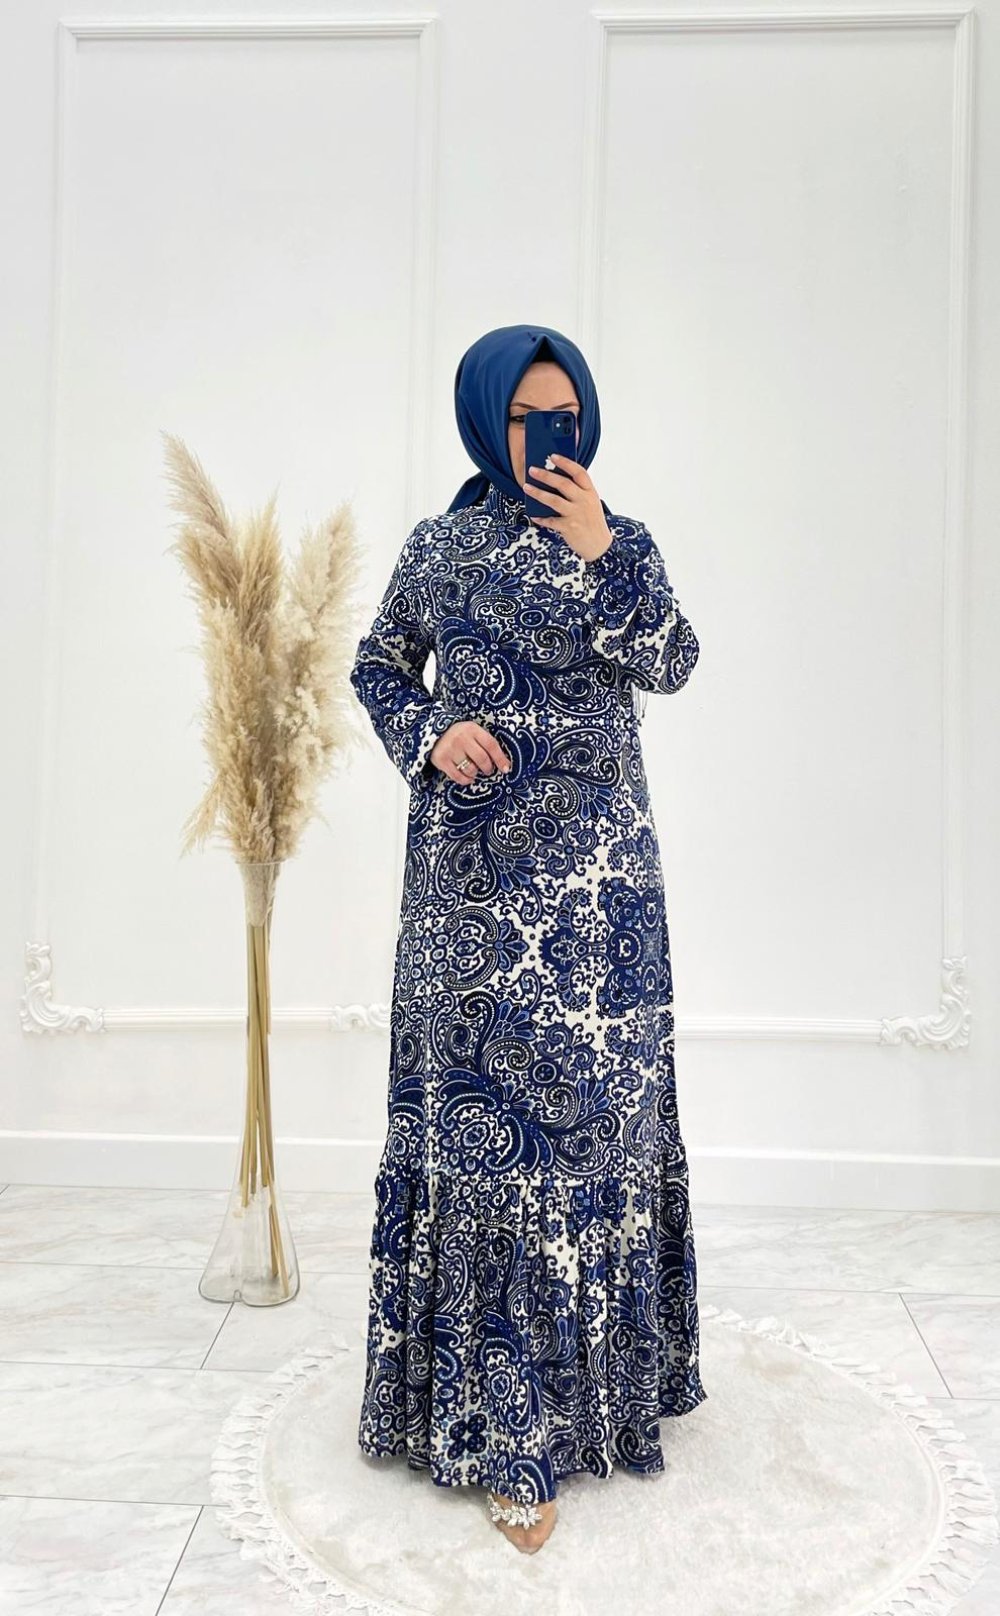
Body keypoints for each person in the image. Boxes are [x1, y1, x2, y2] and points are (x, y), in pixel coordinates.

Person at [349, 323, 706, 1555]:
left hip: (601, 901)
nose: (546, 436)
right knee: (483, 1140)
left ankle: (604, 1401)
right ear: (482, 418)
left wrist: (603, 550)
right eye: (521, 416)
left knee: (598, 1129)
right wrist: (427, 735)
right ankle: (501, 1430)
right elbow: (378, 666)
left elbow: (673, 660)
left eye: (563, 413)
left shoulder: (623, 541)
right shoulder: (436, 548)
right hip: (470, 892)